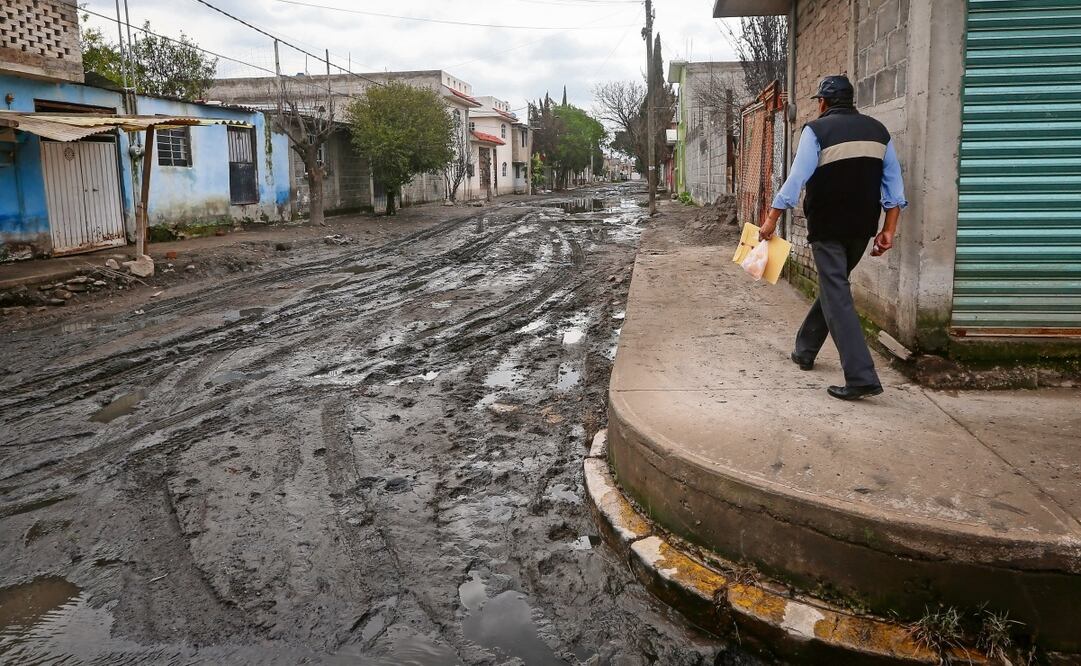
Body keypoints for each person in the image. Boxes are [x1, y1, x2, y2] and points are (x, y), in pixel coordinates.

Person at [759, 75, 907, 401]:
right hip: (862, 229)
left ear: (823, 103)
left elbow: (796, 179)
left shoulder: (816, 131)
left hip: (827, 228)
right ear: (851, 101)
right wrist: (888, 231)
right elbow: (894, 188)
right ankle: (805, 349)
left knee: (837, 293)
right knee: (833, 286)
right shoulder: (879, 132)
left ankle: (861, 375)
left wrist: (771, 220)